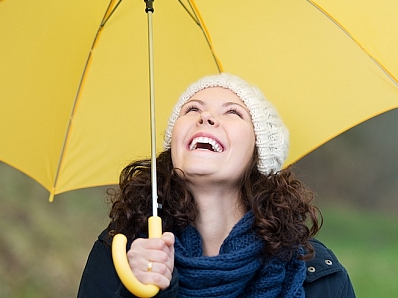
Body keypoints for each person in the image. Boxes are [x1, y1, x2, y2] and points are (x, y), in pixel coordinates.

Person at [77, 73, 356, 297]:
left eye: (232, 113)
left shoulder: (316, 272)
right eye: (192, 109)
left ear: (261, 153)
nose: (206, 117)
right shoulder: (122, 255)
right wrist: (135, 292)